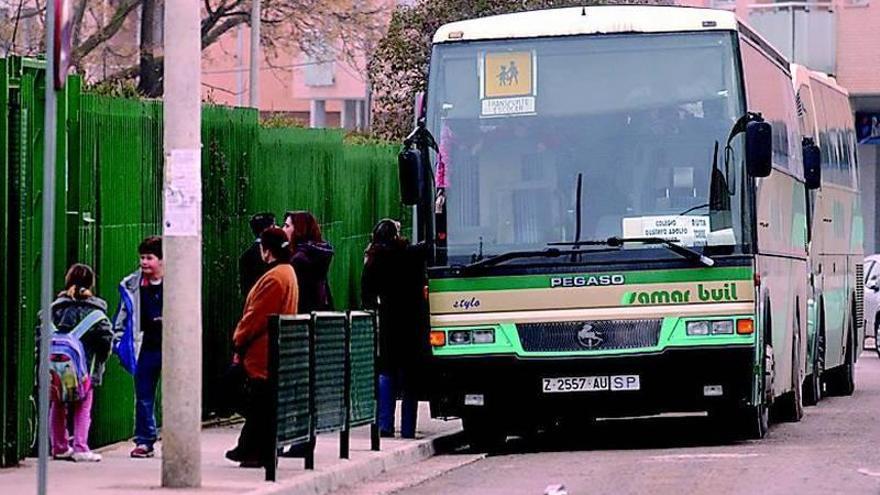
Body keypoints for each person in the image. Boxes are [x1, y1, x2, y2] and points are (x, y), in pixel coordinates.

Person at [226, 227, 298, 467]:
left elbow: (257, 315)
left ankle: (253, 450)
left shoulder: (274, 278)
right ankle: (251, 449)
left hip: (261, 351)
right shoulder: (287, 273)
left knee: (256, 402)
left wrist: (238, 338)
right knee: (261, 404)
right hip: (273, 349)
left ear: (266, 250)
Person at [361, 219, 429, 438]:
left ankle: (384, 424)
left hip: (389, 320)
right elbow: (429, 247)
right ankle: (408, 428)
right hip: (413, 321)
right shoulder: (412, 255)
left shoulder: (375, 260)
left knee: (387, 371)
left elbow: (367, 295)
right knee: (411, 377)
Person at [43, 263, 114, 462]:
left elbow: (41, 334)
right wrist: (99, 359)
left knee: (57, 405)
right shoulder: (96, 313)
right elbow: (106, 339)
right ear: (91, 284)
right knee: (83, 406)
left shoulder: (54, 310)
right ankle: (81, 447)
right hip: (85, 369)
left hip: (57, 368)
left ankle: (59, 446)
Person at [112, 236, 164, 459]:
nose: (144, 262)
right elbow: (123, 314)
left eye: (149, 258)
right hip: (144, 346)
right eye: (142, 257)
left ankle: (178, 437)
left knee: (174, 395)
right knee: (143, 395)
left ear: (162, 260)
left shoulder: (178, 282)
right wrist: (118, 339)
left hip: (171, 346)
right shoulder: (132, 285)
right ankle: (144, 440)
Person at [282, 211, 334, 313]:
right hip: (321, 312)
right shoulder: (318, 254)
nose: (283, 229)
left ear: (298, 230)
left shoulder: (298, 260)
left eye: (287, 226)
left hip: (301, 315)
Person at [239, 212, 276, 299]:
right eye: (274, 226)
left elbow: (245, 289)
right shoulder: (275, 254)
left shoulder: (245, 256)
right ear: (269, 228)